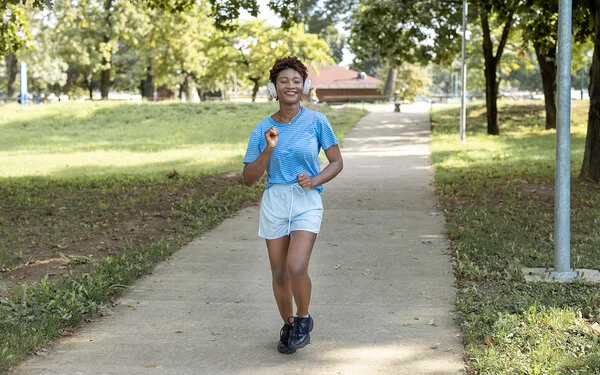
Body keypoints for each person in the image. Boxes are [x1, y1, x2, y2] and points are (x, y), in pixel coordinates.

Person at [242, 56, 343, 354]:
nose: (290, 85)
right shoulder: (263, 128)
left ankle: (303, 318)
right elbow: (248, 177)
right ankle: (288, 324)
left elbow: (336, 162)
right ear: (274, 87)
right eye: (284, 81)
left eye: (296, 81)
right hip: (275, 201)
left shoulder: (317, 121)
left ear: (305, 86)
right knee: (279, 272)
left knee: (296, 266)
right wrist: (269, 148)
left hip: (306, 200)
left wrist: (315, 179)